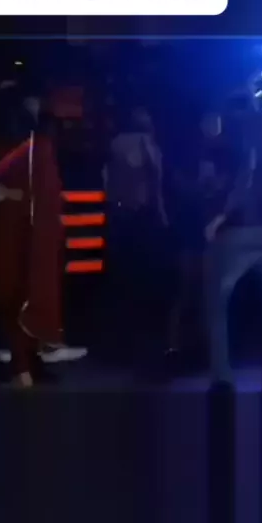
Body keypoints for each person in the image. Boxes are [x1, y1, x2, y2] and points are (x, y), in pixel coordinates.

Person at [204, 97, 262, 387]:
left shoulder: (245, 145)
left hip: (242, 232)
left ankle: (222, 375)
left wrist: (219, 218)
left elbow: (243, 183)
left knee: (217, 301)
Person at [0, 86, 64, 388]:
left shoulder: (20, 145)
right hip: (23, 230)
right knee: (22, 296)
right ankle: (24, 365)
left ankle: (26, 364)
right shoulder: (30, 146)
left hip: (21, 229)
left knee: (21, 297)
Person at [104, 106, 168, 354]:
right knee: (143, 279)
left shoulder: (116, 144)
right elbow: (155, 180)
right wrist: (161, 215)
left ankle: (124, 341)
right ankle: (141, 341)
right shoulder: (145, 143)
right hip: (141, 215)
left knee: (125, 279)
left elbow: (109, 180)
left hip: (123, 214)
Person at [167, 111, 229, 358]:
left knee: (209, 292)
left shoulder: (223, 153)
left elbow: (225, 186)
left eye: (217, 123)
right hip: (193, 228)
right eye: (211, 123)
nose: (214, 128)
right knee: (187, 290)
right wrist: (199, 188)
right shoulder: (192, 153)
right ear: (203, 125)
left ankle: (204, 345)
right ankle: (175, 344)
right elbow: (179, 182)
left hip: (213, 229)